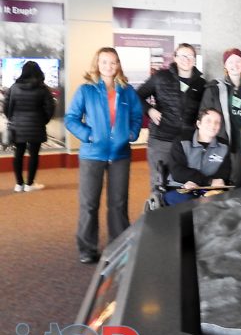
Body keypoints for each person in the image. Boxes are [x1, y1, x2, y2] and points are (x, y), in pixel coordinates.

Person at [66, 48, 143, 264]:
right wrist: (88, 136)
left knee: (118, 203)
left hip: (120, 154)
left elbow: (137, 116)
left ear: (118, 65)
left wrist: (132, 133)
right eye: (104, 62)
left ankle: (119, 246)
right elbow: (71, 118)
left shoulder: (127, 91)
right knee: (89, 204)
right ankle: (87, 249)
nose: (109, 66)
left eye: (113, 62)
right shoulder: (86, 90)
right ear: (97, 64)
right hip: (92, 154)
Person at [136, 43, 206, 188]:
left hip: (186, 142)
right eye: (182, 55)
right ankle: (156, 211)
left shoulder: (201, 83)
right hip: (161, 139)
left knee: (183, 183)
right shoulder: (161, 77)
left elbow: (202, 111)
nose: (186, 59)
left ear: (195, 59)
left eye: (190, 56)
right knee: (159, 183)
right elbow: (137, 95)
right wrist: (149, 110)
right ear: (175, 58)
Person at [200, 48, 241, 187]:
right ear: (225, 65)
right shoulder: (214, 88)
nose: (234, 64)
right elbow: (204, 116)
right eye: (230, 61)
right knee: (225, 186)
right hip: (223, 145)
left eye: (238, 61)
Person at [4, 61, 55, 192]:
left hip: (17, 126)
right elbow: (50, 108)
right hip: (36, 125)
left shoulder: (14, 87)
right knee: (34, 155)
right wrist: (43, 120)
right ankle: (29, 184)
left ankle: (19, 184)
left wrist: (12, 119)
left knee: (18, 154)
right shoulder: (43, 89)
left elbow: (6, 106)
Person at [165, 108, 232, 206]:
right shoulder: (181, 141)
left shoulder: (224, 146)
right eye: (208, 121)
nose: (213, 125)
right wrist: (208, 181)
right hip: (181, 187)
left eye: (217, 122)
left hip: (209, 190)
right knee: (192, 207)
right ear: (199, 123)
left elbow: (225, 171)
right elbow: (177, 171)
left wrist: (217, 181)